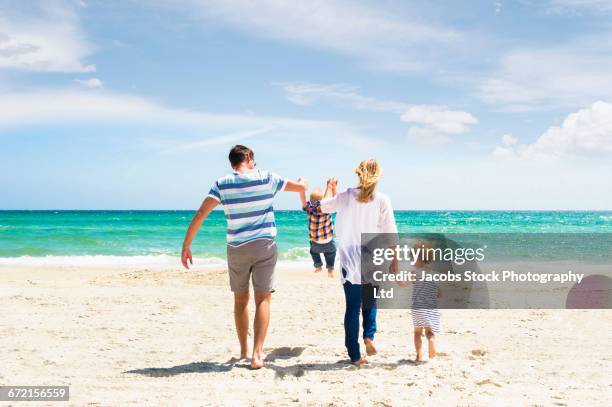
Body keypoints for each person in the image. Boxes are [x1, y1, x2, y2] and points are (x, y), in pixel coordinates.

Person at [180, 145, 307, 369]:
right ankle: (258, 355)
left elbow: (201, 213)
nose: (255, 164)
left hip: (236, 247)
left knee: (240, 300)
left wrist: (186, 245)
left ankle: (243, 351)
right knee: (263, 299)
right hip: (264, 245)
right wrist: (303, 185)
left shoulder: (222, 184)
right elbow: (298, 187)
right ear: (247, 157)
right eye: (253, 159)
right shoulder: (267, 178)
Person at [320, 159, 398, 367]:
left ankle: (355, 355)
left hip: (350, 259)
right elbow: (391, 234)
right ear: (378, 176)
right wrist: (395, 261)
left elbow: (324, 207)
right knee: (370, 302)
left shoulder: (346, 196)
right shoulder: (382, 199)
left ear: (358, 174)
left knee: (353, 306)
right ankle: (369, 337)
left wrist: (330, 188)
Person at [410, 241, 441, 363]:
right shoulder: (434, 273)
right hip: (430, 307)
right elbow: (439, 293)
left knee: (417, 332)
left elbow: (407, 283)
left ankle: (419, 355)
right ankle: (432, 341)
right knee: (430, 332)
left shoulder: (414, 273)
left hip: (417, 307)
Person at [299, 187, 336, 277]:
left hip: (315, 243)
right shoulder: (327, 211)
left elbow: (303, 201)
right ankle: (330, 268)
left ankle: (318, 266)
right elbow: (334, 200)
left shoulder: (309, 211)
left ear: (311, 202)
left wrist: (301, 189)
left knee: (313, 252)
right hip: (328, 241)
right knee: (331, 253)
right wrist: (332, 188)